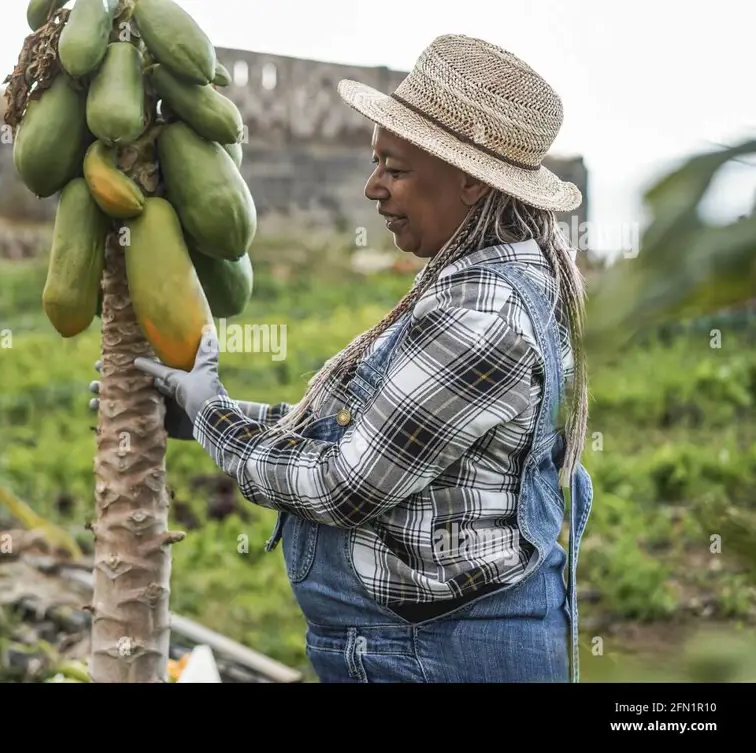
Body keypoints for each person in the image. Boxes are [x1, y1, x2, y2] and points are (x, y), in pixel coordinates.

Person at [89, 33, 594, 683]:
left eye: (395, 168)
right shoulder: (480, 278)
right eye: (375, 162)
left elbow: (343, 484)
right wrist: (202, 414)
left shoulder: (480, 314)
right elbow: (373, 434)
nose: (371, 187)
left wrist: (213, 413)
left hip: (440, 658)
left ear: (471, 181)